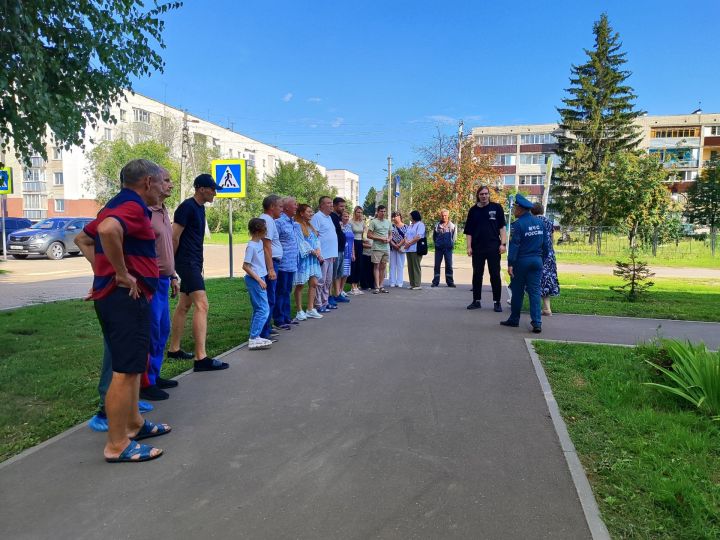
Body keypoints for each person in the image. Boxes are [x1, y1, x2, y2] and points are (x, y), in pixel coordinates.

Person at [74, 158, 171, 463]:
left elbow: (83, 238)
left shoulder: (118, 203)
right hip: (125, 298)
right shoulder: (130, 206)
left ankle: (134, 425)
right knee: (125, 372)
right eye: (161, 183)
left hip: (122, 296)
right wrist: (119, 273)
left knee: (132, 367)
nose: (163, 190)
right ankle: (117, 444)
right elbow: (105, 230)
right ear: (147, 182)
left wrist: (104, 271)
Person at [169, 174, 229, 371]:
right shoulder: (186, 207)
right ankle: (201, 358)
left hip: (193, 262)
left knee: (184, 305)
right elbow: (174, 237)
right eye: (213, 189)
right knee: (202, 305)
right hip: (186, 262)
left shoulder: (200, 208)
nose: (215, 192)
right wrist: (172, 266)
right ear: (201, 188)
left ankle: (174, 349)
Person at [140, 167, 180, 401]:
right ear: (151, 182)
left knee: (162, 329)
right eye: (166, 180)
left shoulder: (163, 211)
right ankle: (145, 383)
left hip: (164, 279)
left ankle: (154, 375)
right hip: (149, 281)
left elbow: (165, 249)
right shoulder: (144, 212)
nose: (170, 185)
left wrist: (173, 274)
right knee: (151, 330)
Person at [501, 194, 550, 333]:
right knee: (535, 292)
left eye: (515, 207)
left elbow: (515, 246)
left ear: (521, 209)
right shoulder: (540, 223)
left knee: (517, 292)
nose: (514, 210)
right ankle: (537, 322)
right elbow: (546, 245)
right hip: (537, 261)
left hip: (521, 262)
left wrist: (510, 264)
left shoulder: (518, 225)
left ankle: (514, 319)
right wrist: (542, 260)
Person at [464, 185, 507, 312]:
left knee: (495, 275)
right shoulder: (473, 211)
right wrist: (469, 247)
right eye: (481, 194)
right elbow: (469, 231)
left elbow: (502, 228)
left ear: (489, 195)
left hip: (494, 247)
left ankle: (497, 302)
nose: (484, 196)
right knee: (477, 274)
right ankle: (476, 301)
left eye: (486, 194)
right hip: (477, 248)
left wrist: (503, 244)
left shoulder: (496, 208)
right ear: (478, 195)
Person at [243, 218, 273, 351]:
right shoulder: (251, 246)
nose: (266, 230)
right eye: (265, 228)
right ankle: (254, 338)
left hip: (260, 277)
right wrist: (259, 280)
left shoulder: (260, 243)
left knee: (259, 309)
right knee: (263, 309)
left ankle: (255, 336)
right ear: (258, 230)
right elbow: (245, 266)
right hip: (255, 279)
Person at [293, 203, 324, 320]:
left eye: (312, 212)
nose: (311, 214)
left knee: (314, 283)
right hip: (304, 257)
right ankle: (299, 310)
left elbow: (316, 240)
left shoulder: (310, 226)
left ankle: (310, 309)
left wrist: (318, 251)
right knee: (300, 284)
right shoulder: (297, 225)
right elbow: (301, 242)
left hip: (313, 258)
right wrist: (313, 251)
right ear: (301, 213)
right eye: (309, 212)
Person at [259, 195, 283, 339]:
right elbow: (266, 246)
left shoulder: (270, 220)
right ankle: (264, 332)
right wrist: (271, 269)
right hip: (271, 263)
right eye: (280, 206)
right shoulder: (267, 220)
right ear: (272, 207)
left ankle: (266, 327)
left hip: (273, 261)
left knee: (271, 297)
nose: (282, 209)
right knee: (269, 297)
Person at [274, 196, 299, 328]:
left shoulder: (292, 222)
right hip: (282, 264)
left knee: (287, 291)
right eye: (294, 204)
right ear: (287, 207)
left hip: (291, 264)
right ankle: (279, 319)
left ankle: (286, 317)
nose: (296, 206)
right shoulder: (279, 222)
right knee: (281, 292)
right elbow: (273, 241)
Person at [531, 203, 560, 315]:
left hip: (537, 253)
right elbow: (552, 240)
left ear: (532, 211)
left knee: (534, 279)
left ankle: (536, 308)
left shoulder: (533, 221)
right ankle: (547, 308)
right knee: (547, 279)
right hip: (549, 255)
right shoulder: (549, 222)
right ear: (542, 210)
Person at [311, 196, 338, 312]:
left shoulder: (329, 217)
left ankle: (325, 302)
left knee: (328, 281)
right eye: (328, 203)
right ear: (321, 205)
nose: (331, 205)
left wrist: (334, 254)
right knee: (320, 281)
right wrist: (318, 254)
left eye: (332, 203)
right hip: (322, 255)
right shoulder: (317, 217)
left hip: (330, 255)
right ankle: (318, 304)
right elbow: (314, 236)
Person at [367, 205, 391, 293]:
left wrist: (389, 239)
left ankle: (381, 286)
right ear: (377, 212)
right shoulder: (373, 222)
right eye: (381, 211)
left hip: (386, 248)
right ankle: (376, 286)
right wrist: (380, 239)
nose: (383, 213)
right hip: (377, 248)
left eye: (384, 211)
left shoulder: (388, 222)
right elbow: (368, 235)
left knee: (383, 267)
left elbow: (390, 234)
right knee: (376, 266)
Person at [329, 197, 349, 304]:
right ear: (335, 206)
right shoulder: (332, 217)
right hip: (334, 250)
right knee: (333, 274)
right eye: (341, 206)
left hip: (341, 249)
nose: (343, 208)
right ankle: (330, 295)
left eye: (344, 206)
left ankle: (337, 294)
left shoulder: (338, 218)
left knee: (339, 274)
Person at [431, 209, 457, 288]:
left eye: (445, 215)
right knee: (437, 265)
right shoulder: (437, 225)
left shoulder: (452, 225)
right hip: (439, 249)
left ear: (448, 216)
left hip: (448, 249)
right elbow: (434, 237)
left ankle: (450, 282)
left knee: (449, 265)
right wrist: (437, 244)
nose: (444, 217)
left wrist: (451, 244)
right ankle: (435, 282)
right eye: (442, 215)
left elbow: (454, 237)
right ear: (440, 216)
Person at [404, 210, 426, 290]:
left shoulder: (420, 224)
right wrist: (406, 242)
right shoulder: (410, 226)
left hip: (416, 248)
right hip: (408, 249)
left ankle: (417, 284)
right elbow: (405, 235)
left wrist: (409, 243)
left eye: (410, 216)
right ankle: (412, 283)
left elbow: (418, 236)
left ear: (414, 216)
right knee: (410, 266)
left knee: (416, 266)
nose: (409, 217)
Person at [347, 206, 366, 294]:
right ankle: (352, 286)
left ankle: (356, 285)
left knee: (359, 264)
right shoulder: (350, 222)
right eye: (358, 212)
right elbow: (350, 235)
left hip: (360, 243)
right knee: (353, 264)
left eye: (361, 212)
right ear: (355, 212)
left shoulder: (363, 222)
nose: (360, 214)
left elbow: (364, 234)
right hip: (352, 242)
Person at [339, 210, 355, 296]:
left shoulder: (349, 226)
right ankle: (338, 291)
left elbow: (352, 241)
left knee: (346, 273)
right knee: (341, 272)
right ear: (341, 217)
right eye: (345, 216)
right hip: (342, 251)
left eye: (348, 216)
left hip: (349, 252)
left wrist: (353, 253)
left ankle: (342, 289)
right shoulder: (339, 226)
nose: (346, 218)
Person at [389, 211, 407, 288]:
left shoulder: (406, 226)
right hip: (393, 247)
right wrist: (394, 245)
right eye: (393, 216)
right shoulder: (391, 226)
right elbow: (389, 236)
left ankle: (399, 282)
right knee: (392, 265)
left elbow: (406, 237)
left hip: (401, 248)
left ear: (399, 216)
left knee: (400, 265)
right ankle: (392, 282)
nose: (394, 218)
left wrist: (399, 245)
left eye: (395, 216)